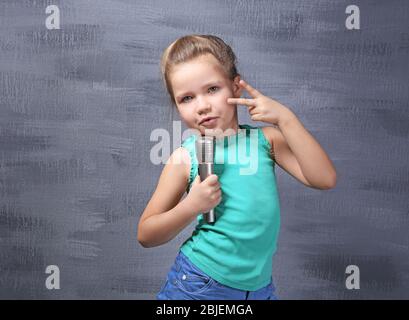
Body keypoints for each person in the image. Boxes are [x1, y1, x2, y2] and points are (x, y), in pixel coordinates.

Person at [137, 35, 337, 300]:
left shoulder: (266, 141)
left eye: (212, 89)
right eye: (186, 98)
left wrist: (285, 118)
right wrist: (190, 206)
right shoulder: (186, 158)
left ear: (235, 87)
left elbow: (324, 178)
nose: (202, 106)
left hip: (258, 288)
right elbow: (146, 234)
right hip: (200, 285)